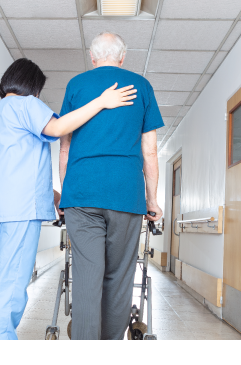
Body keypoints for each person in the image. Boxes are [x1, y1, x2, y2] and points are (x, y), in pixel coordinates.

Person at [0, 58, 137, 340]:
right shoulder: (25, 104)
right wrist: (101, 102)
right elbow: (59, 127)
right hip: (19, 211)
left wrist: (53, 195)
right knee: (11, 284)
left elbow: (7, 166)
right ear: (32, 86)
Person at [58, 32, 164, 340]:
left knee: (87, 277)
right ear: (123, 56)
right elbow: (150, 151)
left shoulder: (76, 85)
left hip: (82, 193)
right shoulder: (141, 87)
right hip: (125, 195)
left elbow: (64, 147)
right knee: (119, 279)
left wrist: (67, 193)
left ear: (92, 58)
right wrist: (152, 200)